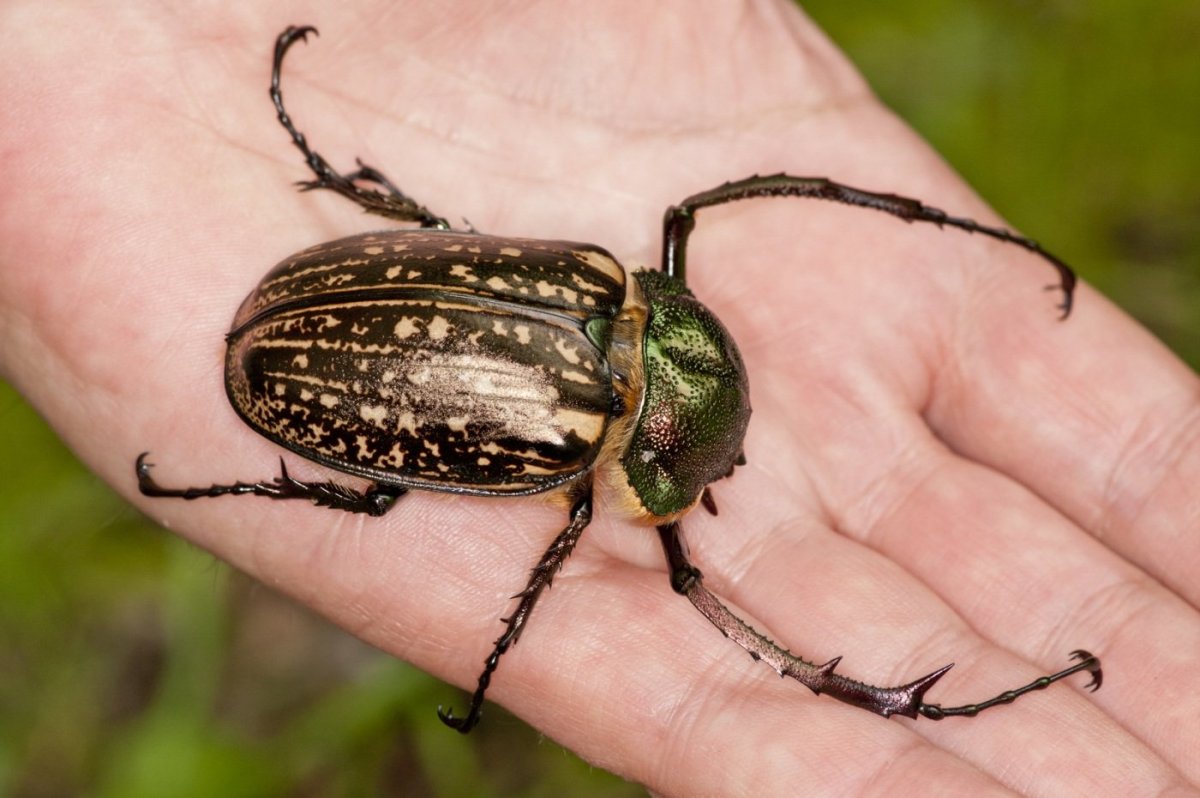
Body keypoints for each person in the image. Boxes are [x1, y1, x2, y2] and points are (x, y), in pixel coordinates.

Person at [2, 3, 1196, 794]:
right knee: (390, 504)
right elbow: (629, 564)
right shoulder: (574, 446)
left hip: (319, 313)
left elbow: (462, 239)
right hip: (295, 356)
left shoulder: (595, 281)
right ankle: (875, 693)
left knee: (423, 348)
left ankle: (320, 186)